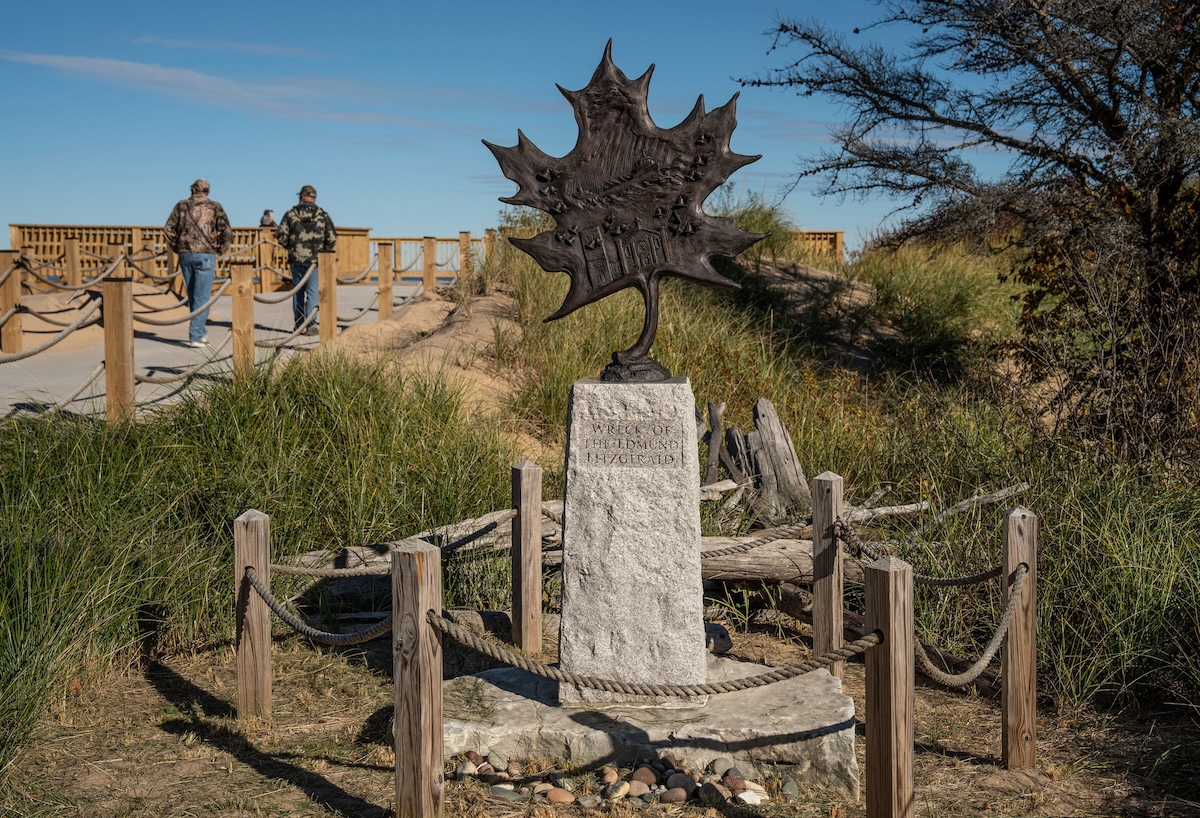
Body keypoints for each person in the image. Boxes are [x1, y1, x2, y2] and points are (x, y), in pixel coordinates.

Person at [163, 179, 232, 348]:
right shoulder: (215, 207)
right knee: (202, 295)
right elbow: (227, 232)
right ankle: (195, 335)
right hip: (206, 255)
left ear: (193, 190)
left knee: (194, 295)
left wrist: (178, 247)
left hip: (185, 254)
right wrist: (220, 249)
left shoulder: (181, 206)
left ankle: (200, 332)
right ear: (207, 191)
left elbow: (168, 229)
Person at [276, 185, 337, 335]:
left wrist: (293, 248)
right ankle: (311, 325)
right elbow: (332, 238)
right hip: (315, 261)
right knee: (312, 291)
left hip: (296, 259)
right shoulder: (323, 215)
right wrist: (323, 253)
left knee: (298, 291)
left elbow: (281, 236)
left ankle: (299, 324)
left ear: (302, 196)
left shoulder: (290, 214)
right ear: (314, 198)